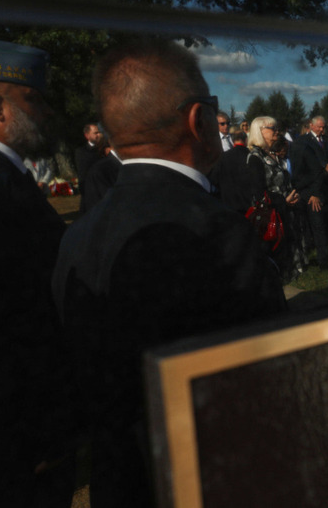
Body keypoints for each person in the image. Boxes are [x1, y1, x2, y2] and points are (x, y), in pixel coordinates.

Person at [52, 39, 286, 507]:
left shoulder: (77, 233)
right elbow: (271, 388)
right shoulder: (217, 234)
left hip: (121, 481)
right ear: (198, 120)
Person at [0, 39, 75, 508]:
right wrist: (43, 429)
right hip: (14, 440)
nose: (45, 113)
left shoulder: (6, 175)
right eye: (33, 100)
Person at [249, 126, 306, 282]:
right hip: (272, 220)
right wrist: (283, 200)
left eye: (276, 127)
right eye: (270, 128)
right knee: (276, 268)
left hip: (287, 215)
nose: (276, 130)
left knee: (289, 268)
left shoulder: (273, 154)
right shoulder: (255, 157)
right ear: (258, 132)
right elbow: (258, 193)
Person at [291, 115, 328, 269]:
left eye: (323, 127)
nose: (322, 130)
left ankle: (322, 260)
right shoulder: (302, 143)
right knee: (311, 226)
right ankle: (313, 259)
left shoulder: (326, 141)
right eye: (319, 127)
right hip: (308, 190)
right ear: (311, 126)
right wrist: (311, 193)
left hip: (321, 188)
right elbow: (305, 171)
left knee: (321, 226)